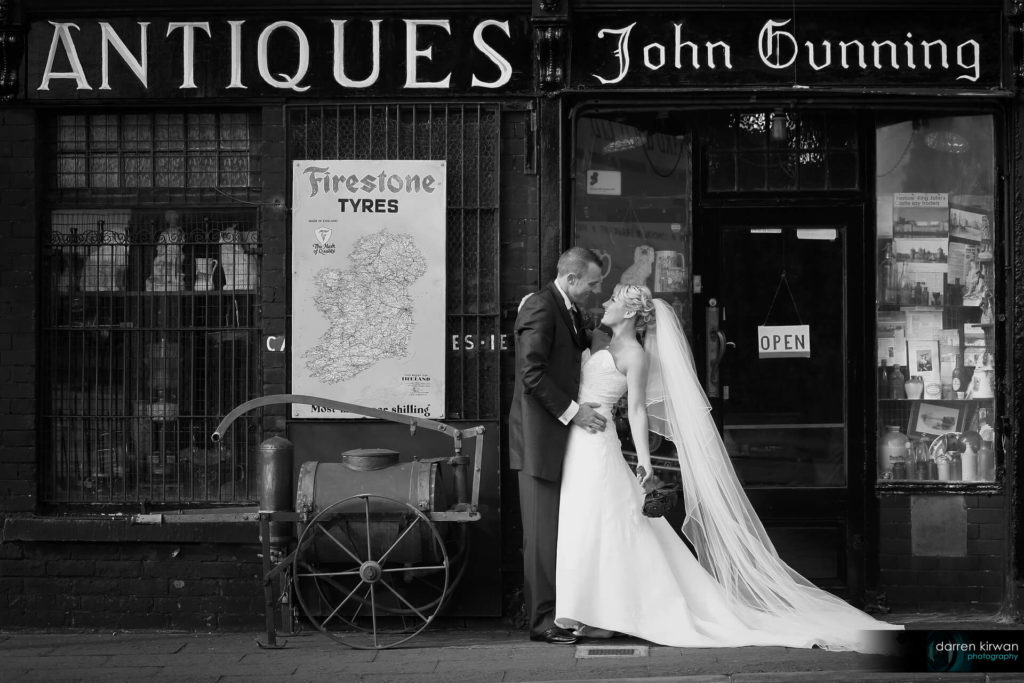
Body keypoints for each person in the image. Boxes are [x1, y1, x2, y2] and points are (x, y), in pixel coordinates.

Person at [554, 284, 903, 652]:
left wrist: (643, 460)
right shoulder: (598, 341)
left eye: (613, 300)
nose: (605, 303)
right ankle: (595, 608)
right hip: (581, 439)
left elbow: (638, 410)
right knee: (592, 521)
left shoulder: (634, 355)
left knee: (608, 523)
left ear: (627, 313)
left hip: (598, 442)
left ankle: (611, 612)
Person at [509, 247, 609, 645]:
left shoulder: (566, 308)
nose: (597, 290)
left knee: (554, 535)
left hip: (558, 441)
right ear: (571, 280)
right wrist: (575, 412)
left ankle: (558, 614)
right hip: (539, 441)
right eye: (593, 283)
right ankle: (540, 623)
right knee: (540, 536)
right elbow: (530, 374)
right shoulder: (540, 306)